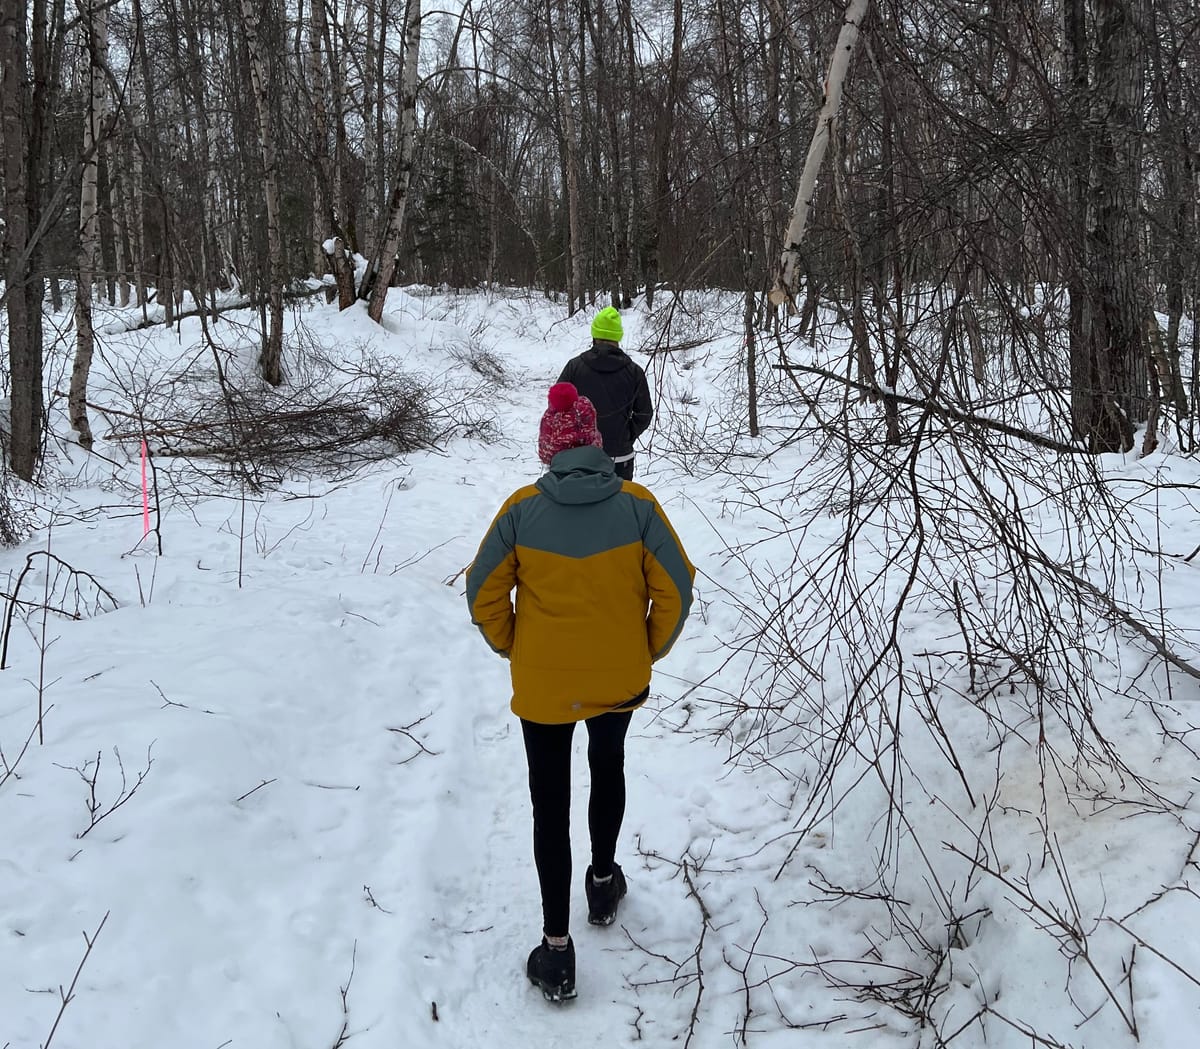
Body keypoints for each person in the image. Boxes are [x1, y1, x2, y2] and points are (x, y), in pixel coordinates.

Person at [465, 382, 695, 1002]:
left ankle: (556, 951)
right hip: (617, 679)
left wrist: (514, 645)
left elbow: (482, 591)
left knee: (549, 803)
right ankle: (601, 882)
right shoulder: (639, 507)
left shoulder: (519, 511)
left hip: (544, 688)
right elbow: (677, 587)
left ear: (548, 450)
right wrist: (647, 647)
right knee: (608, 765)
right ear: (596, 444)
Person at [558, 306, 653, 481]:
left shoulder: (574, 367)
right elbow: (644, 413)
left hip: (581, 456)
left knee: (582, 507)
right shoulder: (634, 372)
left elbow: (557, 407)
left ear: (594, 335)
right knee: (618, 506)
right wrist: (626, 435)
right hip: (620, 457)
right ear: (617, 337)